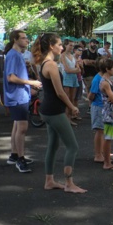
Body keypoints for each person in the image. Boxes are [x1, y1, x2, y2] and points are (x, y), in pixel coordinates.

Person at [33, 33, 86, 193]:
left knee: (53, 145)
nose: (62, 47)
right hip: (54, 111)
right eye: (60, 44)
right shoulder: (51, 65)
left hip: (48, 110)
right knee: (72, 146)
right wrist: (72, 107)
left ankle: (49, 181)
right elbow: (60, 92)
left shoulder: (44, 63)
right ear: (51, 46)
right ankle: (69, 184)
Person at [4, 30, 41, 172]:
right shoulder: (13, 55)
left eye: (27, 38)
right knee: (22, 128)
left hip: (20, 95)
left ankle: (14, 155)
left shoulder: (16, 55)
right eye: (24, 38)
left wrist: (29, 83)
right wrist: (30, 83)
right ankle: (20, 159)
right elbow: (11, 78)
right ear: (15, 39)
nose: (27, 40)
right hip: (17, 96)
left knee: (17, 126)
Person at [88, 59, 107, 163]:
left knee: (103, 131)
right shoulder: (97, 79)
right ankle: (98, 154)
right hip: (98, 106)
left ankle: (103, 152)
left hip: (103, 107)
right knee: (100, 131)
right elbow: (92, 94)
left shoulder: (103, 78)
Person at [60, 39, 82, 126]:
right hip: (66, 77)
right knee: (67, 98)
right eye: (70, 45)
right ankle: (66, 119)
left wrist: (74, 70)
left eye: (72, 45)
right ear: (65, 45)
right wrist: (75, 70)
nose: (71, 47)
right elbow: (67, 69)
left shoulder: (72, 56)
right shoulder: (62, 55)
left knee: (72, 99)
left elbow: (78, 69)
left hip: (73, 78)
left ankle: (69, 117)